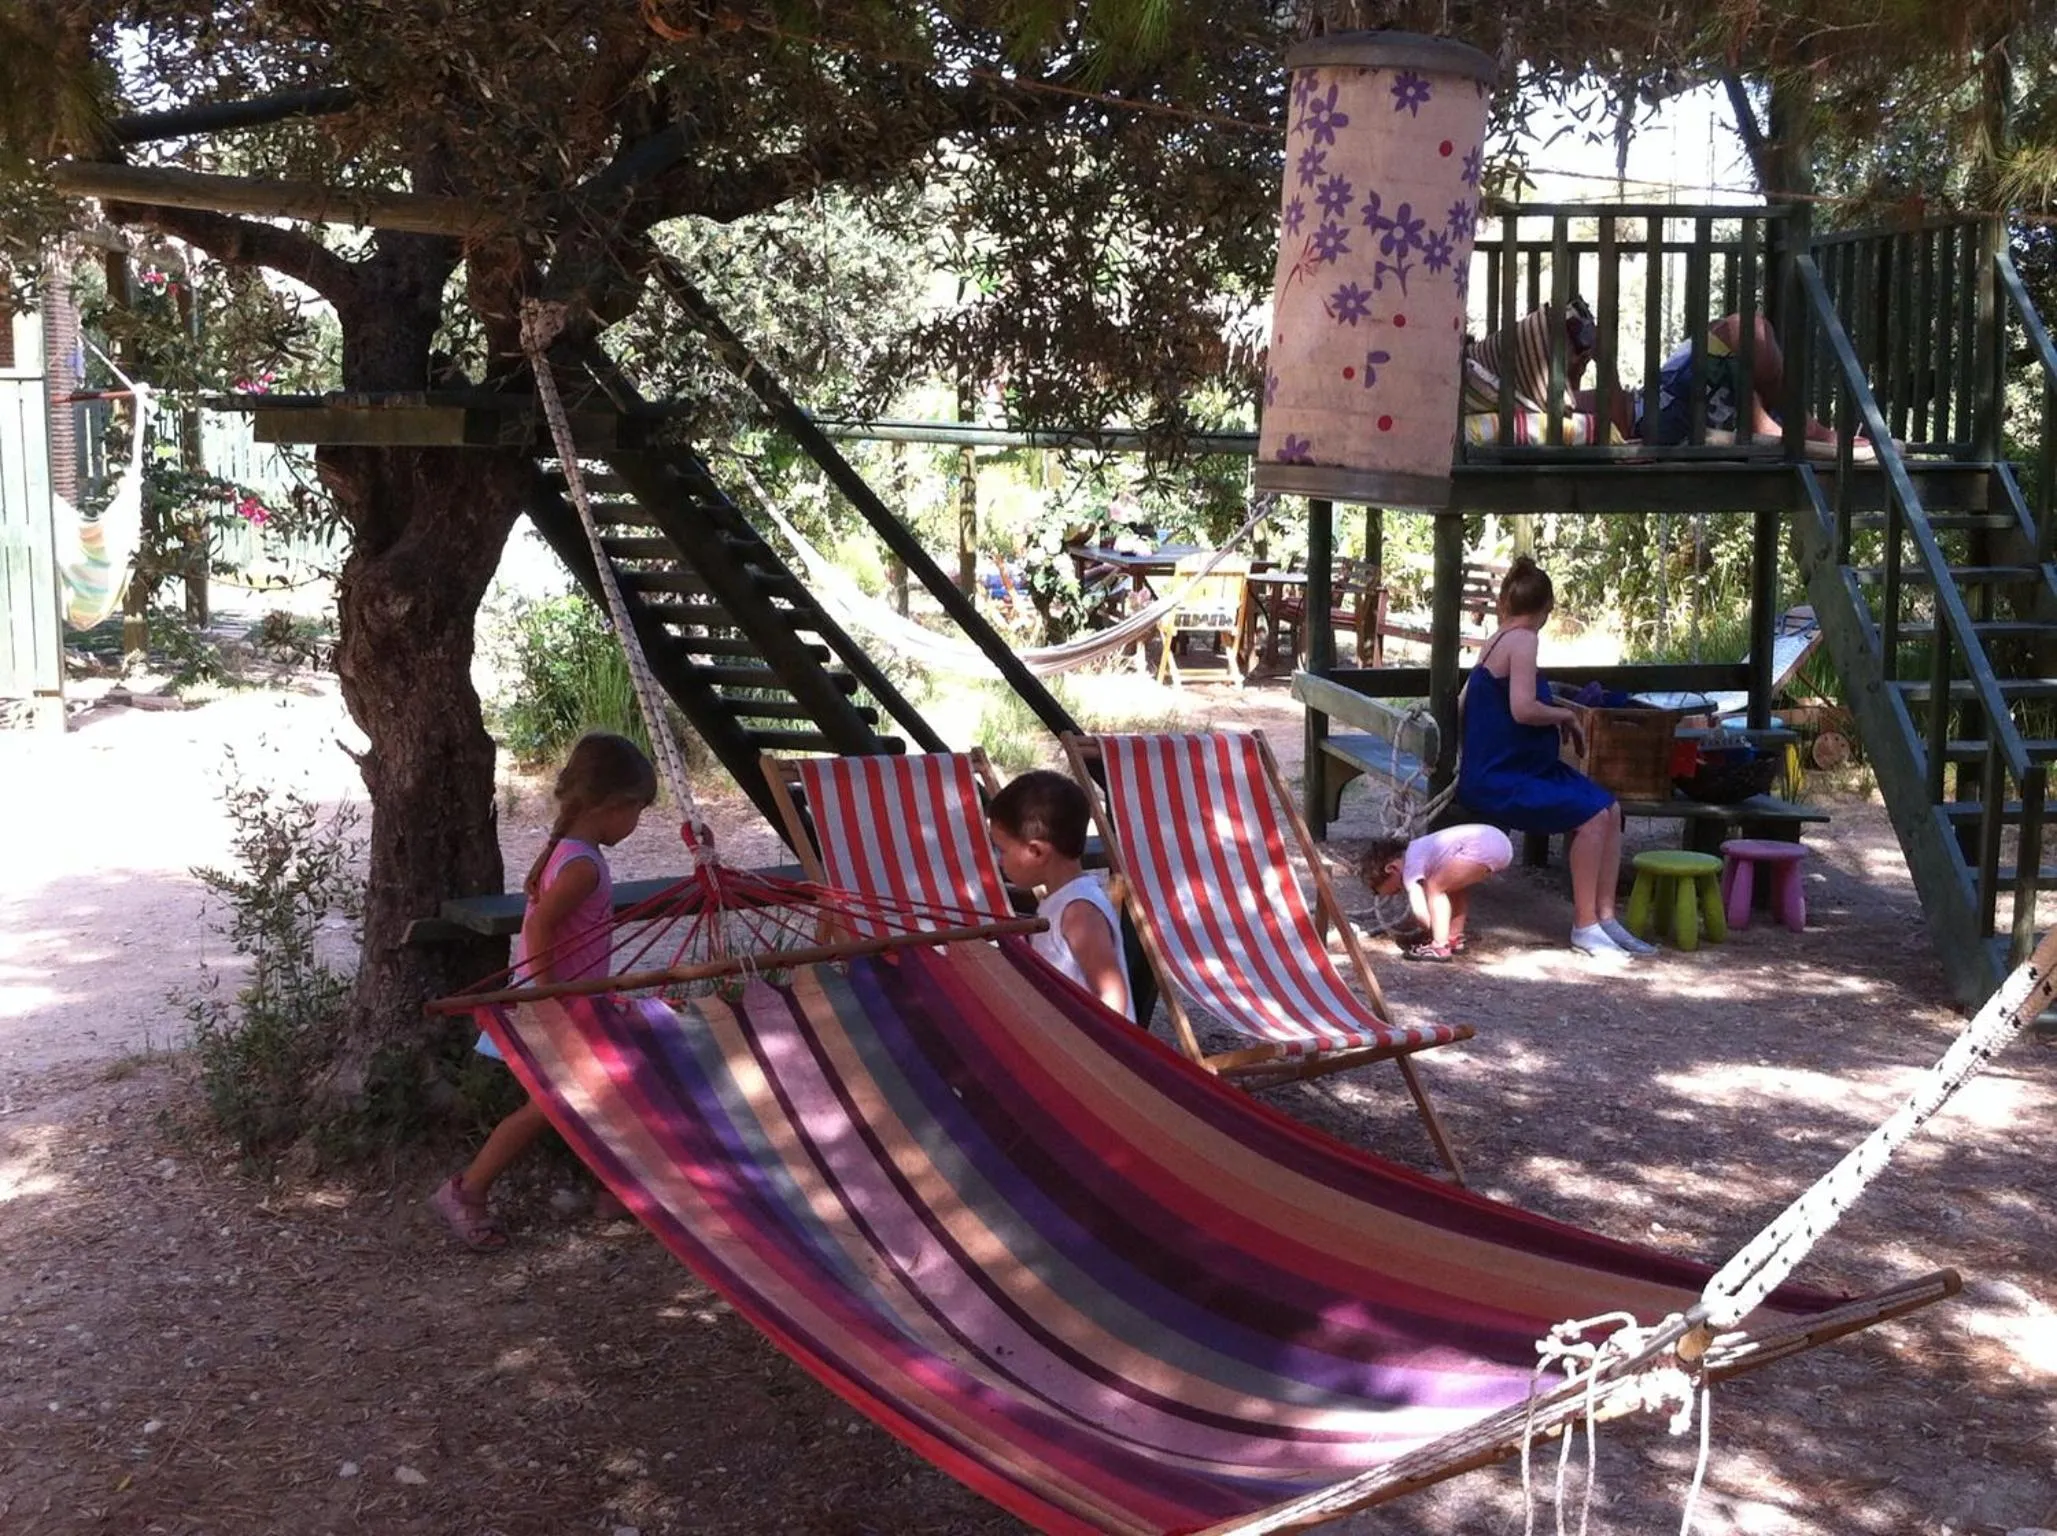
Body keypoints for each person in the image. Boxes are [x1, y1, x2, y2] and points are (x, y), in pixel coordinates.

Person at [430, 732, 659, 1252]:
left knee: (604, 1089)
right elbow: (538, 933)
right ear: (612, 805)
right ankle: (466, 1192)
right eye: (638, 810)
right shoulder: (581, 865)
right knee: (551, 1104)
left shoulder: (567, 849)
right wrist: (554, 1001)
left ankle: (614, 1190)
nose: (636, 823)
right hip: (556, 1007)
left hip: (564, 1002)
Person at [1457, 558, 1655, 960]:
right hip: (1503, 776)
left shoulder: (1494, 640)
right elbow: (1523, 709)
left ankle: (1605, 917)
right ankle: (1585, 925)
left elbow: (1463, 702)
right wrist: (1565, 715)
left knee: (1610, 808)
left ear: (1505, 603)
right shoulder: (1524, 640)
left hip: (1515, 766)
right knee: (1592, 815)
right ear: (1545, 609)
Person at [987, 770, 1133, 1020]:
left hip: (1093, 1050)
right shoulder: (1060, 899)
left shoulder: (1079, 910)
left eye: (1002, 850)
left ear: (1036, 852)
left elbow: (1113, 995)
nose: (999, 861)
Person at [1638, 312, 1861, 451]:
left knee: (1750, 330)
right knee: (1750, 329)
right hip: (1672, 411)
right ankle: (1811, 432)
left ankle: (1813, 432)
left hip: (1706, 399)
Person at [1362, 824, 1514, 963]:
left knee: (1434, 888)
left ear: (1392, 868)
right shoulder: (1420, 849)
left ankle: (1439, 947)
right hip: (1499, 842)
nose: (1401, 891)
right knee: (1454, 889)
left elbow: (1421, 913)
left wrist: (1425, 925)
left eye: (1398, 889)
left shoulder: (1409, 866)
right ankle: (1453, 937)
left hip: (1481, 846)